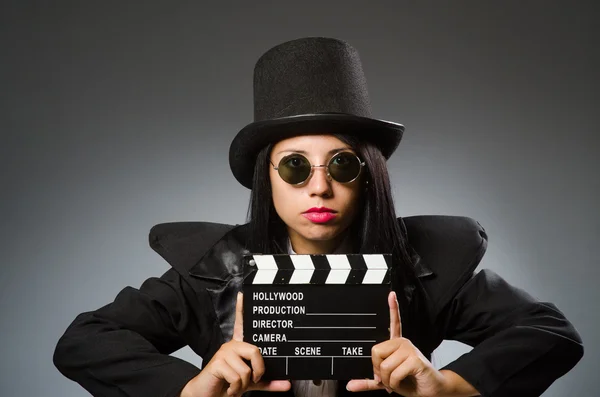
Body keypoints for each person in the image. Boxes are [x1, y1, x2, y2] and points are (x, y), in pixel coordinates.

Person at [53, 37, 583, 397]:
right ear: (268, 180)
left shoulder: (426, 268)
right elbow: (85, 339)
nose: (320, 186)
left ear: (368, 175)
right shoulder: (213, 271)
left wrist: (450, 386)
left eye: (343, 165)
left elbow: (550, 330)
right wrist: (188, 387)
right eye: (295, 166)